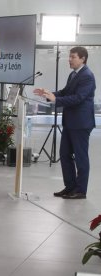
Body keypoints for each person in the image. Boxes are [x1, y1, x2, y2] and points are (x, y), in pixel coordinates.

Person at [33, 46, 96, 200]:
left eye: (73, 57)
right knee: (64, 154)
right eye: (69, 56)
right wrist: (49, 94)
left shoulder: (87, 76)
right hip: (70, 122)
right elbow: (65, 92)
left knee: (81, 157)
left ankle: (81, 191)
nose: (69, 59)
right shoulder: (73, 75)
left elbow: (78, 98)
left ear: (83, 59)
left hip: (81, 123)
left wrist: (57, 100)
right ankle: (70, 187)